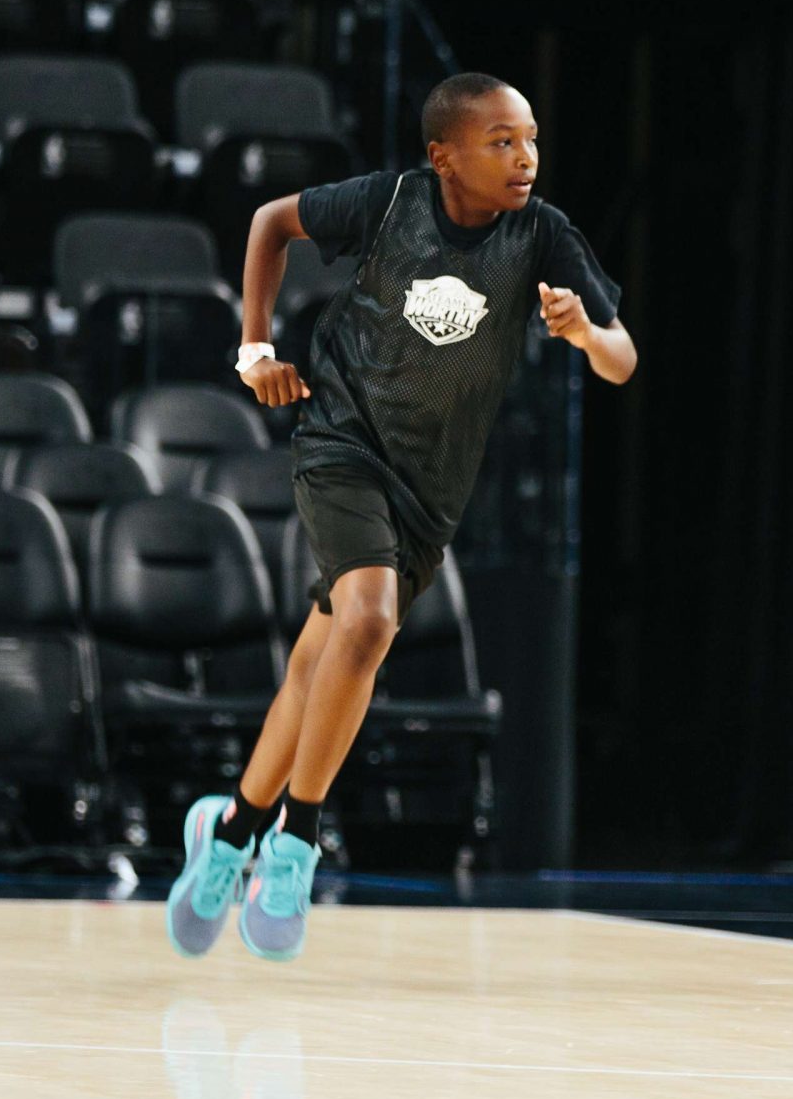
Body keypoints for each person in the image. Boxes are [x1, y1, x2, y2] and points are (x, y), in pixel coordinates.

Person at [166, 72, 637, 962]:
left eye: (532, 140)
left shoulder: (542, 235)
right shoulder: (390, 204)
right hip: (341, 442)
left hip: (430, 493)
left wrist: (583, 334)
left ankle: (227, 834)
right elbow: (270, 223)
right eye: (502, 141)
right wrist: (255, 348)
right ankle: (297, 842)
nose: (526, 157)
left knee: (320, 660)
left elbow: (623, 359)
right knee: (370, 618)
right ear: (443, 157)